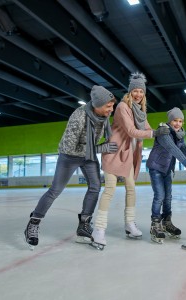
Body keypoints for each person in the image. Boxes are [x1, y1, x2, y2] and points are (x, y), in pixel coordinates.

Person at [24, 85, 118, 250]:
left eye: (112, 105)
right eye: (108, 106)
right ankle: (33, 223)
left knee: (95, 187)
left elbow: (100, 139)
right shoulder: (79, 117)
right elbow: (69, 148)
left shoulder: (103, 117)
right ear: (97, 105)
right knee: (55, 190)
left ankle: (84, 225)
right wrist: (100, 148)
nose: (111, 109)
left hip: (88, 157)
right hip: (69, 157)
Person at [92, 72, 169, 250]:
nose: (138, 94)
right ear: (130, 92)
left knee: (131, 189)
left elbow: (148, 128)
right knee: (110, 189)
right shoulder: (122, 107)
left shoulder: (140, 110)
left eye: (141, 92)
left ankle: (129, 224)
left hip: (129, 156)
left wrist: (161, 129)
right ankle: (99, 229)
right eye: (135, 91)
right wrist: (154, 133)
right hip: (114, 153)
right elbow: (131, 131)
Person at [146, 107, 186, 244]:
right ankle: (155, 224)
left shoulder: (179, 134)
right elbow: (172, 148)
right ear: (170, 121)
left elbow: (184, 149)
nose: (178, 123)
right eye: (175, 120)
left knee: (168, 197)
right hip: (156, 168)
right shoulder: (163, 131)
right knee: (160, 196)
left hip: (168, 170)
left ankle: (166, 222)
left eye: (180, 121)